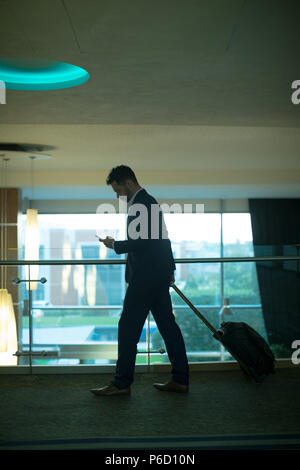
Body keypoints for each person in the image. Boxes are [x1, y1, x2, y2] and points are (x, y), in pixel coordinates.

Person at [90, 165, 189, 396]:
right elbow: (163, 239)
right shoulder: (148, 201)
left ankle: (122, 383)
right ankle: (180, 379)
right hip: (156, 276)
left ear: (128, 183)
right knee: (168, 328)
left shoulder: (141, 204)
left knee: (127, 329)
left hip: (145, 277)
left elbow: (144, 242)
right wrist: (170, 269)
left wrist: (115, 244)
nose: (117, 196)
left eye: (118, 190)